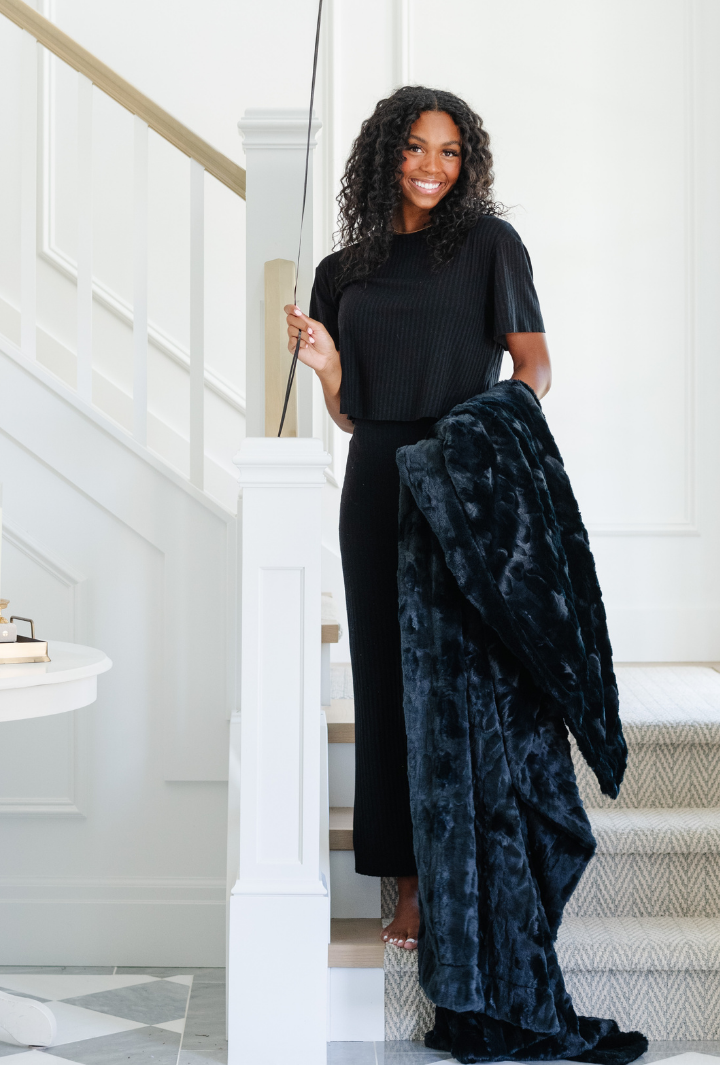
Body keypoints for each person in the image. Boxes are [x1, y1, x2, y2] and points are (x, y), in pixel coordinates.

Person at [285, 86, 550, 949]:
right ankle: (407, 885)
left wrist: (482, 435)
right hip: (375, 481)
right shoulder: (344, 271)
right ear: (384, 156)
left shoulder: (487, 246)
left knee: (462, 683)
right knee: (387, 682)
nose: (434, 167)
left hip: (460, 478)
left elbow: (534, 368)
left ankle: (476, 862)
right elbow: (356, 414)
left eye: (450, 152)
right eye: (416, 149)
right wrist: (326, 367)